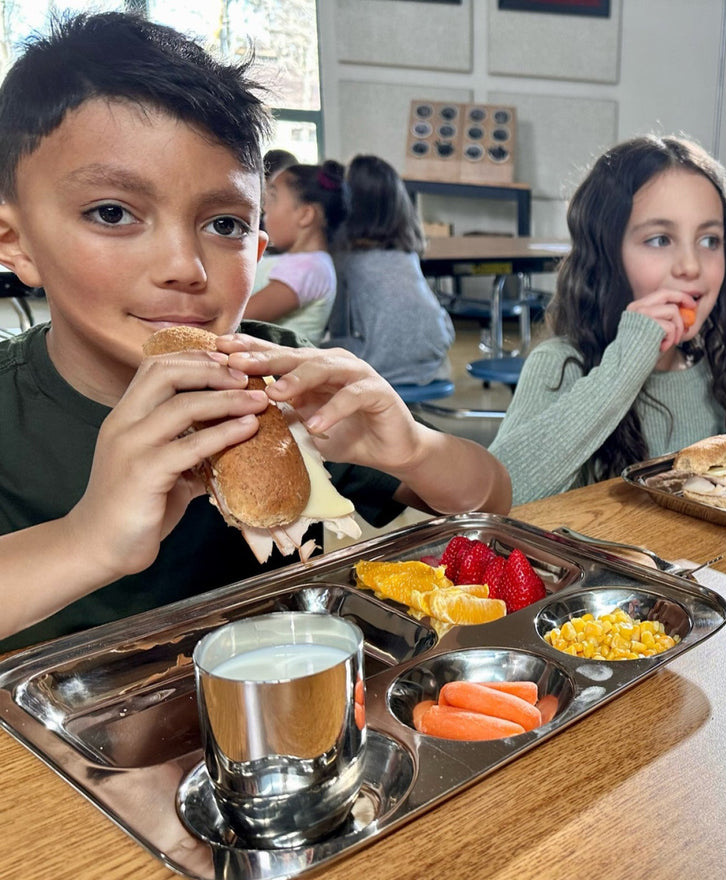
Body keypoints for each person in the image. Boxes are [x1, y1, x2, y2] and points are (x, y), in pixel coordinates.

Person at [0, 12, 511, 654]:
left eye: (224, 226)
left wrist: (414, 448)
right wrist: (85, 539)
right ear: (14, 243)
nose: (184, 269)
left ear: (261, 247)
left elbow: (492, 501)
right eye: (112, 213)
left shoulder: (281, 377)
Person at [489, 134, 726, 506]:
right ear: (607, 255)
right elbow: (499, 495)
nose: (691, 267)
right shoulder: (560, 365)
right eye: (660, 239)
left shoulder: (714, 374)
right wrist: (630, 356)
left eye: (709, 241)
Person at [327, 153, 454, 385]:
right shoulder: (406, 253)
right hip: (433, 356)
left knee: (311, 347)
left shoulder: (344, 259)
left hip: (382, 364)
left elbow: (337, 326)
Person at [243, 160, 346, 345]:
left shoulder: (310, 267)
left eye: (272, 198)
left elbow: (244, 315)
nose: (264, 208)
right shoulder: (302, 262)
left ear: (305, 215)